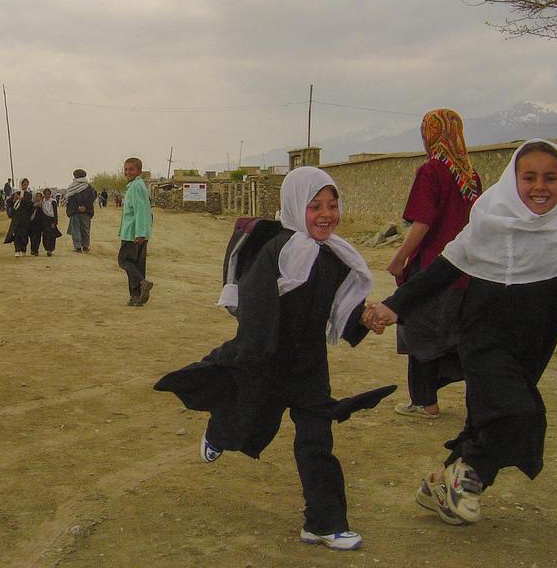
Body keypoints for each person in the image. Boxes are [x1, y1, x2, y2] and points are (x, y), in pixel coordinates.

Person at [366, 139, 557, 527]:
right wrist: (394, 306)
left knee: (486, 420)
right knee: (520, 413)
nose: (540, 186)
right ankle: (471, 476)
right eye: (528, 177)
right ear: (513, 179)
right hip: (484, 339)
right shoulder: (488, 223)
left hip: (533, 346)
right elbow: (440, 272)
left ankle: (439, 484)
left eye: (551, 177)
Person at [154, 167, 395, 551]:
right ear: (296, 205)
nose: (326, 213)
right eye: (315, 205)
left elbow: (337, 307)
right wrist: (251, 358)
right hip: (266, 362)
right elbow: (255, 306)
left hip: (310, 370)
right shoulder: (277, 251)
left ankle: (323, 523)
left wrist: (362, 318)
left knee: (317, 441)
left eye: (332, 205)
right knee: (249, 423)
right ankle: (219, 431)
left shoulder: (334, 256)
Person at [387, 108, 481, 419]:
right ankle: (459, 400)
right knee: (454, 335)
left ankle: (425, 402)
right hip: (466, 271)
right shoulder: (471, 177)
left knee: (420, 334)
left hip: (432, 269)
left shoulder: (431, 171)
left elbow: (423, 222)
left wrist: (399, 258)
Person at [118, 158, 153, 306]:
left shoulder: (135, 187)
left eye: (131, 169)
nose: (127, 172)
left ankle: (141, 282)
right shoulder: (136, 185)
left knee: (124, 260)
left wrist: (139, 233)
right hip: (139, 232)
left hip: (133, 233)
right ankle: (136, 297)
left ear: (139, 171)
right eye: (125, 169)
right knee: (137, 265)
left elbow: (140, 211)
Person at [65, 169, 97, 253]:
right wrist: (85, 206)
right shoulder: (89, 187)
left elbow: (70, 200)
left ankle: (78, 247)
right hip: (86, 211)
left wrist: (78, 207)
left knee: (76, 229)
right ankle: (85, 246)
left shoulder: (71, 187)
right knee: (85, 229)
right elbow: (92, 197)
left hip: (75, 211)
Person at [4, 190, 33, 257]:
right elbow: (9, 202)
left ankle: (23, 250)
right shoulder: (15, 193)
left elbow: (29, 205)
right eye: (23, 184)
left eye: (26, 184)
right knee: (17, 235)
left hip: (25, 219)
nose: (25, 186)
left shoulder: (28, 195)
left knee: (24, 235)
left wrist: (22, 199)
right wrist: (14, 200)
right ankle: (17, 250)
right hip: (16, 219)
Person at [41, 188, 62, 256]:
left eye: (48, 194)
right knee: (45, 235)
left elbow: (55, 213)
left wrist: (54, 222)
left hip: (51, 220)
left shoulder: (53, 202)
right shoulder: (42, 201)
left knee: (51, 236)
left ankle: (50, 249)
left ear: (50, 194)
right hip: (44, 220)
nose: (47, 195)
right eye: (45, 194)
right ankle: (47, 248)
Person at [29, 191, 45, 256]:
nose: (38, 198)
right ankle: (33, 250)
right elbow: (28, 213)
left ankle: (36, 250)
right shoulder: (31, 204)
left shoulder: (43, 205)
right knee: (33, 238)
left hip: (39, 225)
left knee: (38, 238)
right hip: (32, 224)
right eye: (36, 196)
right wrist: (34, 207)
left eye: (39, 196)